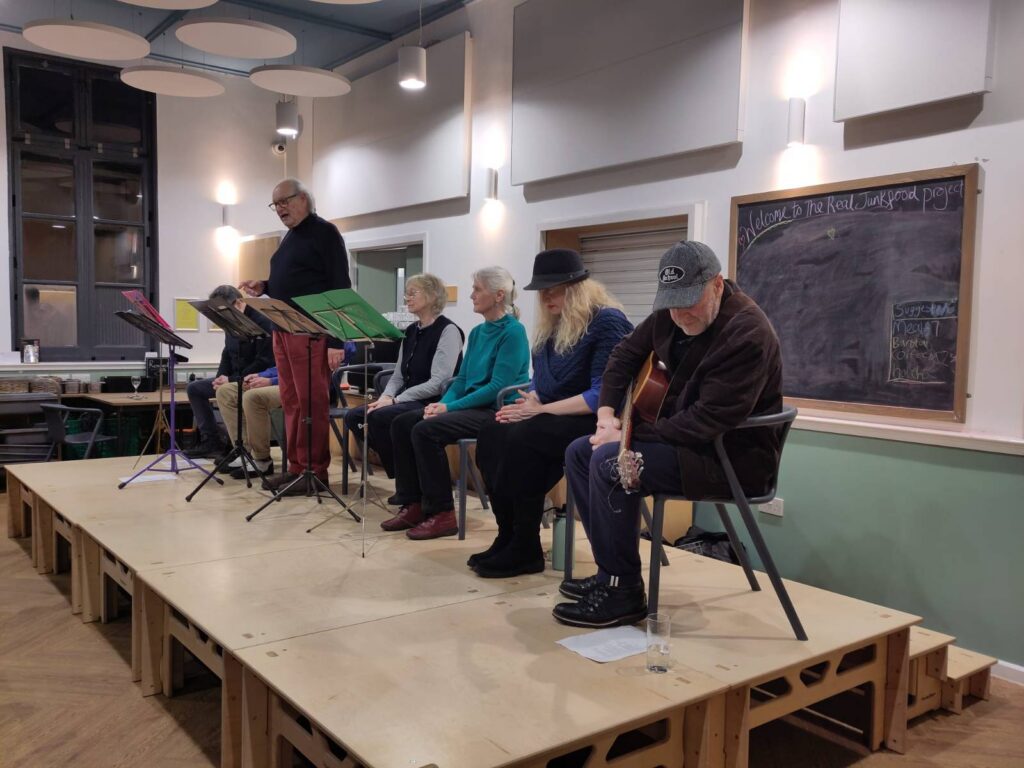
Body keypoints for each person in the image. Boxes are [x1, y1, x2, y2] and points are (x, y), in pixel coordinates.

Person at [553, 241, 784, 628]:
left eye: (689, 301)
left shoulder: (747, 333)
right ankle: (611, 572)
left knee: (612, 462)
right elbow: (623, 357)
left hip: (726, 457)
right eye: (672, 302)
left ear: (716, 285)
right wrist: (607, 417)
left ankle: (623, 592)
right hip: (683, 441)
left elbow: (704, 421)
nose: (679, 313)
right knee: (580, 451)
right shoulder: (670, 314)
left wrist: (628, 437)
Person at [471, 249, 633, 578]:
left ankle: (526, 545)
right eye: (542, 291)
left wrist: (541, 409)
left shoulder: (606, 322)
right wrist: (530, 400)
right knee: (492, 431)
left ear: (577, 288)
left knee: (522, 439)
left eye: (554, 289)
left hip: (595, 420)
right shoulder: (552, 328)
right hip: (554, 415)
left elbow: (602, 393)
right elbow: (542, 382)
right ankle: (508, 534)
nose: (546, 297)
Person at [383, 266, 530, 540]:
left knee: (425, 431)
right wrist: (441, 403)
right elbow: (461, 379)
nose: (471, 295)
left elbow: (497, 387)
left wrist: (449, 408)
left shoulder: (513, 332)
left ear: (498, 295)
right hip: (470, 405)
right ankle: (413, 502)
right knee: (403, 421)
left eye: (477, 289)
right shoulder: (477, 333)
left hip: (496, 409)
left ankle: (442, 513)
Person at [239, 178, 351, 496]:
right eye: (275, 205)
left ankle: (315, 472)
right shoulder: (290, 237)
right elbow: (295, 281)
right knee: (290, 402)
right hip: (283, 329)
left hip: (312, 332)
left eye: (284, 202)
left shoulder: (324, 232)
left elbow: (339, 285)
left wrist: (336, 341)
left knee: (310, 403)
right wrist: (266, 286)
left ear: (303, 198)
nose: (280, 209)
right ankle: (295, 469)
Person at [343, 273, 464, 481]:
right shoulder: (410, 331)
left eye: (412, 293)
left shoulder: (448, 330)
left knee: (380, 417)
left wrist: (395, 400)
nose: (407, 298)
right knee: (355, 417)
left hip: (431, 400)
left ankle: (406, 479)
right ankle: (404, 472)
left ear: (432, 296)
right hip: (405, 399)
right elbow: (398, 375)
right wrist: (384, 398)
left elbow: (438, 383)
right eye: (406, 293)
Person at [185, 285, 274, 458]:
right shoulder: (229, 320)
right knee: (194, 389)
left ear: (239, 302)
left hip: (255, 379)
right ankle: (211, 441)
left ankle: (241, 448)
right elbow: (227, 353)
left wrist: (233, 379)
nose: (222, 315)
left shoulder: (262, 321)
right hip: (232, 379)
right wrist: (220, 378)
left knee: (228, 392)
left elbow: (264, 362)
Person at [215, 366, 281, 479]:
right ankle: (245, 452)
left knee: (252, 397)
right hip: (280, 379)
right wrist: (259, 375)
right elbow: (282, 367)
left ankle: (262, 459)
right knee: (225, 391)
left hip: (295, 384)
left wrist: (271, 381)